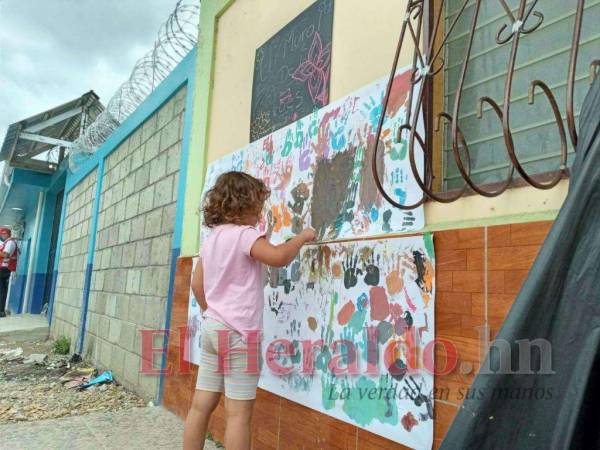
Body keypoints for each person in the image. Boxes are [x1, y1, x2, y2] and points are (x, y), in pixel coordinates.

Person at [183, 172, 315, 450]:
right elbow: (278, 257)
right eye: (259, 205)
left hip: (212, 329)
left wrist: (215, 313)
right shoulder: (245, 235)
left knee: (200, 405)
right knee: (238, 415)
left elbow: (196, 284)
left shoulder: (213, 239)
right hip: (240, 334)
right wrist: (302, 237)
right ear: (247, 204)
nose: (260, 212)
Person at [0, 227, 18, 318]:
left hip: (5, 269)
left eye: (3, 234)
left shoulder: (10, 242)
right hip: (3, 268)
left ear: (7, 234)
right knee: (2, 290)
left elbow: (6, 255)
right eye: (1, 234)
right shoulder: (6, 243)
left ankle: (1, 311)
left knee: (2, 290)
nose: (1, 236)